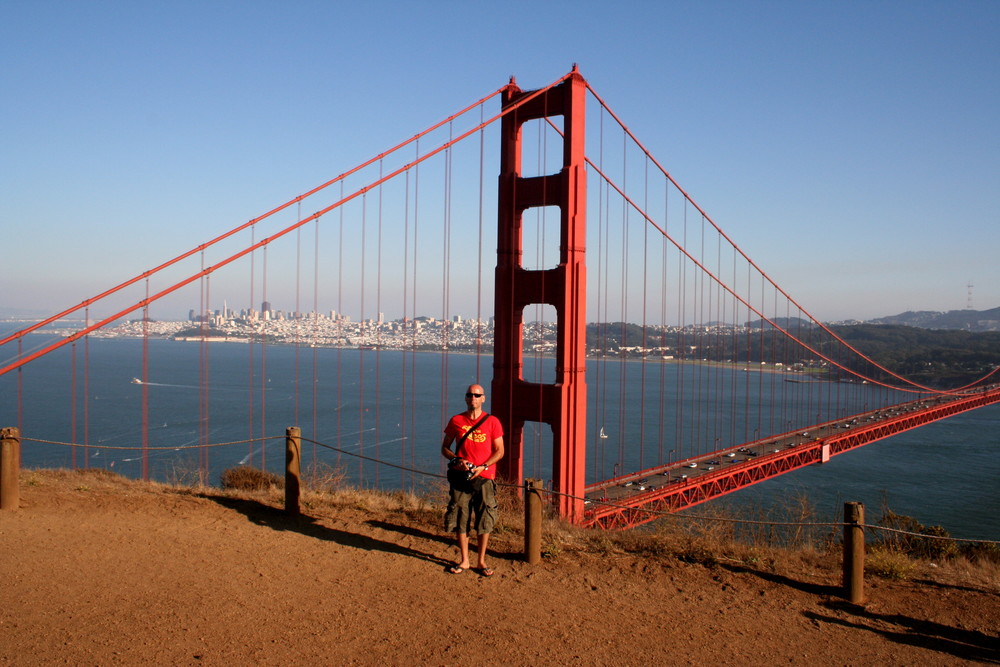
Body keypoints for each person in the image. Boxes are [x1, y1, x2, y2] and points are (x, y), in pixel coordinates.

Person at [440, 383, 504, 576]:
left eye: (477, 395)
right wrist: (457, 460)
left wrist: (483, 466)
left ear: (483, 398)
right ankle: (465, 561)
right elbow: (445, 448)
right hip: (461, 476)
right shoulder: (456, 420)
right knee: (460, 516)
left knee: (485, 517)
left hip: (484, 477)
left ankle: (481, 561)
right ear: (466, 398)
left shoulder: (493, 422)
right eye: (470, 395)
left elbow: (500, 451)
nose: (473, 398)